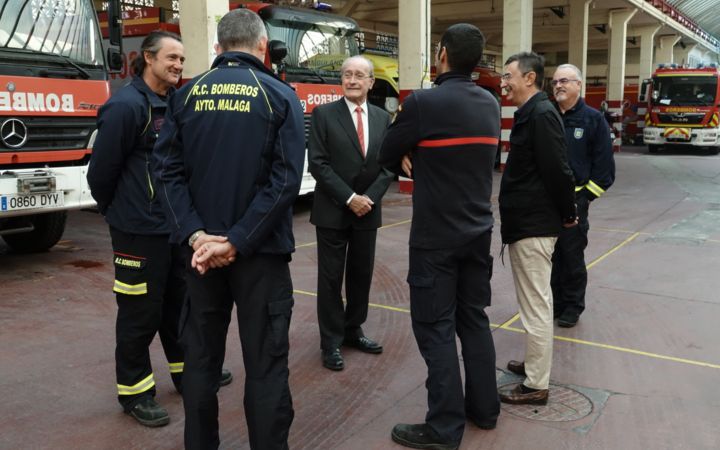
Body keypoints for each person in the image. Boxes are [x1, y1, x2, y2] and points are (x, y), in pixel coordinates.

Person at [152, 9, 304, 450]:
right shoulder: (279, 95)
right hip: (262, 256)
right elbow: (286, 180)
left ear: (217, 48)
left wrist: (198, 236)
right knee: (266, 364)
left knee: (199, 363)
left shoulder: (185, 96)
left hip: (199, 258)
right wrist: (237, 240)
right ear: (262, 46)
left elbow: (165, 173)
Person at [87, 30, 231, 428]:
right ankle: (135, 393)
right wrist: (120, 212)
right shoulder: (125, 107)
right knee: (139, 314)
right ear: (147, 58)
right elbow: (101, 173)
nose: (178, 66)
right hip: (137, 231)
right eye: (171, 58)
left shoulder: (176, 103)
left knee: (179, 307)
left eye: (182, 60)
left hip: (174, 229)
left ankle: (186, 375)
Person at [378, 24, 500, 450]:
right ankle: (485, 410)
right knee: (474, 320)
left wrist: (415, 152)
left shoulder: (423, 103)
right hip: (478, 232)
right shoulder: (489, 103)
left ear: (442, 54)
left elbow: (386, 153)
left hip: (435, 239)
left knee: (435, 328)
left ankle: (444, 429)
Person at [497, 51, 577, 406]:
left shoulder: (541, 115)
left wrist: (568, 212)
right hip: (526, 222)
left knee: (536, 305)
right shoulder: (532, 114)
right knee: (533, 302)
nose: (503, 83)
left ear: (529, 78)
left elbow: (558, 169)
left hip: (534, 224)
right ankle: (533, 365)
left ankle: (536, 385)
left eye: (508, 76)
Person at [308, 55, 394, 371]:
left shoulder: (383, 118)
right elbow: (318, 163)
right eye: (347, 75)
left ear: (371, 82)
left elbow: (388, 165)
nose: (352, 80)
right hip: (333, 210)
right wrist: (349, 198)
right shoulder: (323, 115)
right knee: (330, 279)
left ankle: (353, 330)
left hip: (367, 212)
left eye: (359, 75)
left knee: (361, 275)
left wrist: (368, 198)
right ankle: (330, 342)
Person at [550, 64, 615, 328]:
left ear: (579, 84)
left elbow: (605, 171)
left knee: (571, 256)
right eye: (554, 82)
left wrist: (585, 198)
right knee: (548, 256)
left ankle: (572, 306)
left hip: (575, 201)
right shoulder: (547, 116)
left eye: (564, 81)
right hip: (545, 202)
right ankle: (554, 302)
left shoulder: (592, 120)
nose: (558, 86)